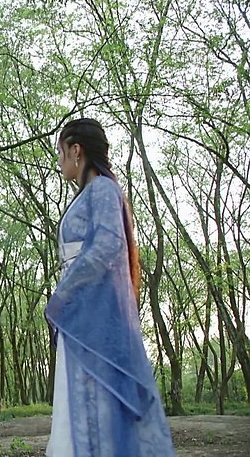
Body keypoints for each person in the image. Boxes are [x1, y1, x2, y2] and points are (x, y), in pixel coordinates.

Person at [46, 118, 175, 456]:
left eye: (60, 152)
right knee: (79, 401)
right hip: (80, 315)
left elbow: (106, 245)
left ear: (76, 150)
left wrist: (62, 294)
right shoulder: (88, 194)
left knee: (95, 402)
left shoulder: (103, 189)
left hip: (92, 314)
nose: (59, 161)